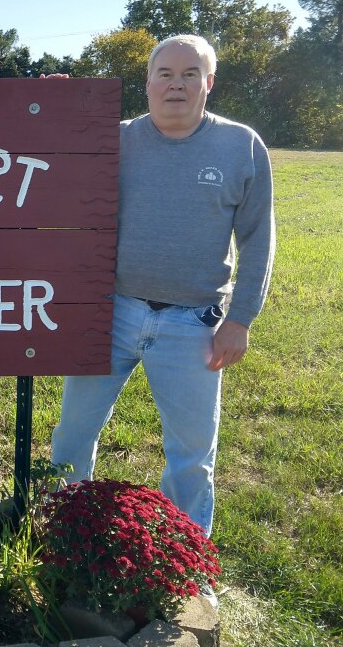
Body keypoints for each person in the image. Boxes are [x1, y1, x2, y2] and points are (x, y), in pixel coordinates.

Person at [50, 35, 275, 538]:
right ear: (148, 82)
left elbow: (259, 238)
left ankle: (184, 556)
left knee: (192, 454)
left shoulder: (240, 145)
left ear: (208, 83)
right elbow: (54, 156)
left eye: (190, 74)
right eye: (166, 74)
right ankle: (62, 532)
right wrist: (57, 103)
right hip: (109, 312)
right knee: (73, 433)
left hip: (194, 322)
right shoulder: (116, 139)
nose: (177, 84)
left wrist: (240, 320)